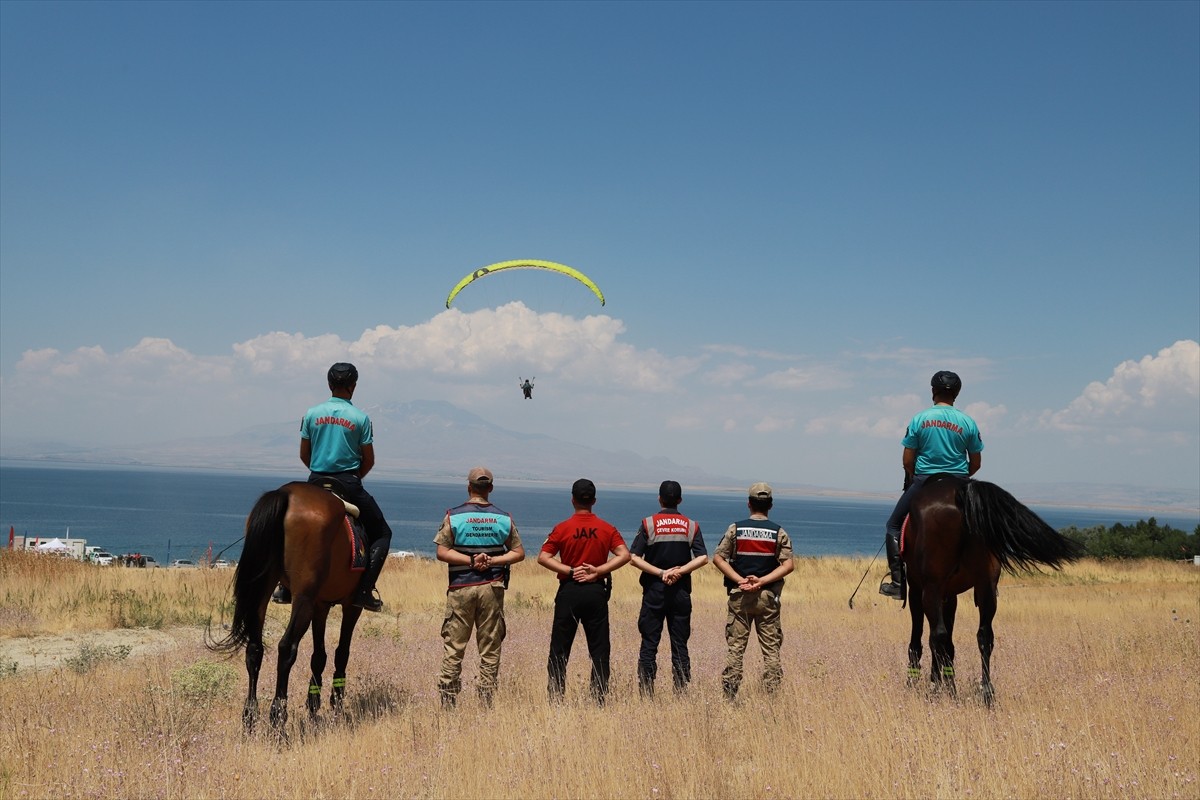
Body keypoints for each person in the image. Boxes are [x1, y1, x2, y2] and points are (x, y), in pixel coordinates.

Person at [272, 362, 393, 611]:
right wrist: (354, 477)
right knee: (382, 532)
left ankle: (285, 586)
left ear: (329, 384)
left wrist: (318, 471)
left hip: (315, 481)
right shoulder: (360, 418)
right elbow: (369, 459)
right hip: (348, 482)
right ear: (354, 386)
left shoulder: (311, 414)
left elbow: (304, 454)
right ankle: (363, 590)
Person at [879, 370, 984, 599]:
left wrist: (915, 475)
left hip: (925, 480)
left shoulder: (919, 419)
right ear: (956, 393)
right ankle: (987, 579)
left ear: (933, 391)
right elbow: (975, 463)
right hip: (960, 482)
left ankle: (898, 582)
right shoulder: (968, 422)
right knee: (987, 525)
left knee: (894, 526)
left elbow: (907, 460)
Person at [434, 467, 525, 709]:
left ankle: (448, 703)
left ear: (469, 487)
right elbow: (519, 553)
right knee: (490, 648)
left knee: (454, 647)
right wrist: (493, 561)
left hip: (461, 588)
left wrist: (470, 561)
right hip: (492, 588)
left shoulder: (454, 516)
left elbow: (442, 551)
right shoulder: (504, 518)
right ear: (491, 489)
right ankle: (486, 702)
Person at [537, 478, 630, 704]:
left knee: (560, 648)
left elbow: (543, 557)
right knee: (599, 648)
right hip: (596, 591)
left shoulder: (562, 528)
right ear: (594, 501)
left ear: (572, 500)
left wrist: (570, 571)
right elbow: (625, 555)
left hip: (569, 590)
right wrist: (598, 571)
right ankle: (598, 699)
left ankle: (555, 698)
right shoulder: (607, 529)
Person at [712, 482, 795, 701]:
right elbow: (788, 565)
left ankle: (729, 697)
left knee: (736, 649)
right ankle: (772, 697)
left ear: (748, 504)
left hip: (740, 597)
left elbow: (718, 557)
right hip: (767, 597)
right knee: (771, 650)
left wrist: (740, 580)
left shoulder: (736, 529)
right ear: (771, 505)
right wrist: (762, 581)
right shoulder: (779, 532)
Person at [628, 480, 708, 696]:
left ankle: (646, 692)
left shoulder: (648, 524)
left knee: (649, 643)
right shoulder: (691, 526)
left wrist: (661, 573)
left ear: (659, 499)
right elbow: (702, 558)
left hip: (654, 590)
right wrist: (679, 571)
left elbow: (634, 558)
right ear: (680, 500)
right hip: (681, 591)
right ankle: (681, 692)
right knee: (680, 643)